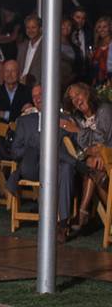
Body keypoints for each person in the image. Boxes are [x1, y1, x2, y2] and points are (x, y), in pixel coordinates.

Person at [6, 84, 77, 241]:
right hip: (32, 167)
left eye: (41, 94)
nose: (37, 98)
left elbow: (75, 145)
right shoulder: (25, 121)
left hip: (56, 167)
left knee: (67, 168)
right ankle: (47, 149)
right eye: (34, 96)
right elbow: (15, 152)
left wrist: (69, 126)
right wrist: (33, 145)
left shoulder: (63, 119)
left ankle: (63, 224)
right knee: (44, 145)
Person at [63, 82, 112, 236]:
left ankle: (81, 214)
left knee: (92, 166)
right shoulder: (77, 117)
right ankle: (84, 213)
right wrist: (92, 151)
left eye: (78, 94)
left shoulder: (104, 110)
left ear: (87, 92)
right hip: (96, 164)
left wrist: (79, 131)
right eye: (72, 99)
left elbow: (103, 139)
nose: (76, 100)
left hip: (110, 156)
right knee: (94, 170)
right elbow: (84, 147)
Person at [16, 14, 43, 85]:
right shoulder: (22, 46)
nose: (30, 30)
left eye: (33, 27)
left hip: (38, 88)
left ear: (40, 28)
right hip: (21, 86)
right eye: (28, 28)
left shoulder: (46, 46)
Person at [71, 7, 93, 81]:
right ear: (72, 18)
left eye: (83, 18)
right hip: (71, 74)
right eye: (78, 17)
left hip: (86, 73)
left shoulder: (88, 33)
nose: (80, 21)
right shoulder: (67, 34)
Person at [89, 16, 112, 85]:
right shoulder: (97, 45)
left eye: (105, 27)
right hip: (98, 81)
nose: (102, 29)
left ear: (110, 28)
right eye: (99, 27)